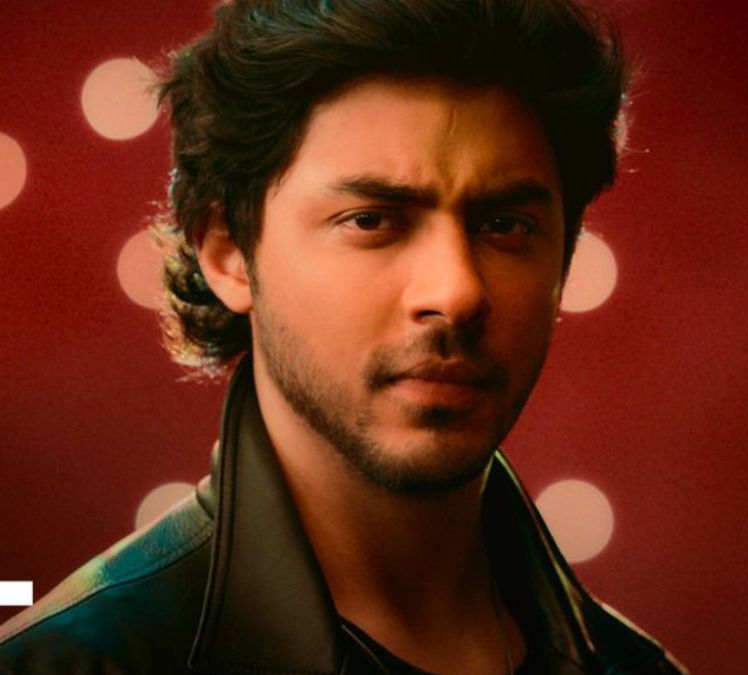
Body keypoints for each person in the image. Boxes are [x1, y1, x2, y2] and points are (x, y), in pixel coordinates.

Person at [0, 1, 685, 673]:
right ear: (228, 250)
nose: (456, 291)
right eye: (372, 220)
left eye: (505, 225)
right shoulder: (71, 662)